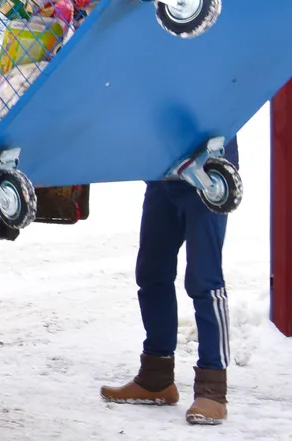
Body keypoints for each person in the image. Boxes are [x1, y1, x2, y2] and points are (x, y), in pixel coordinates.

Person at [100, 139, 240, 425]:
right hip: (163, 174)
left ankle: (213, 390)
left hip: (206, 174)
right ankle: (156, 378)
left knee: (204, 279)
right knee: (152, 273)